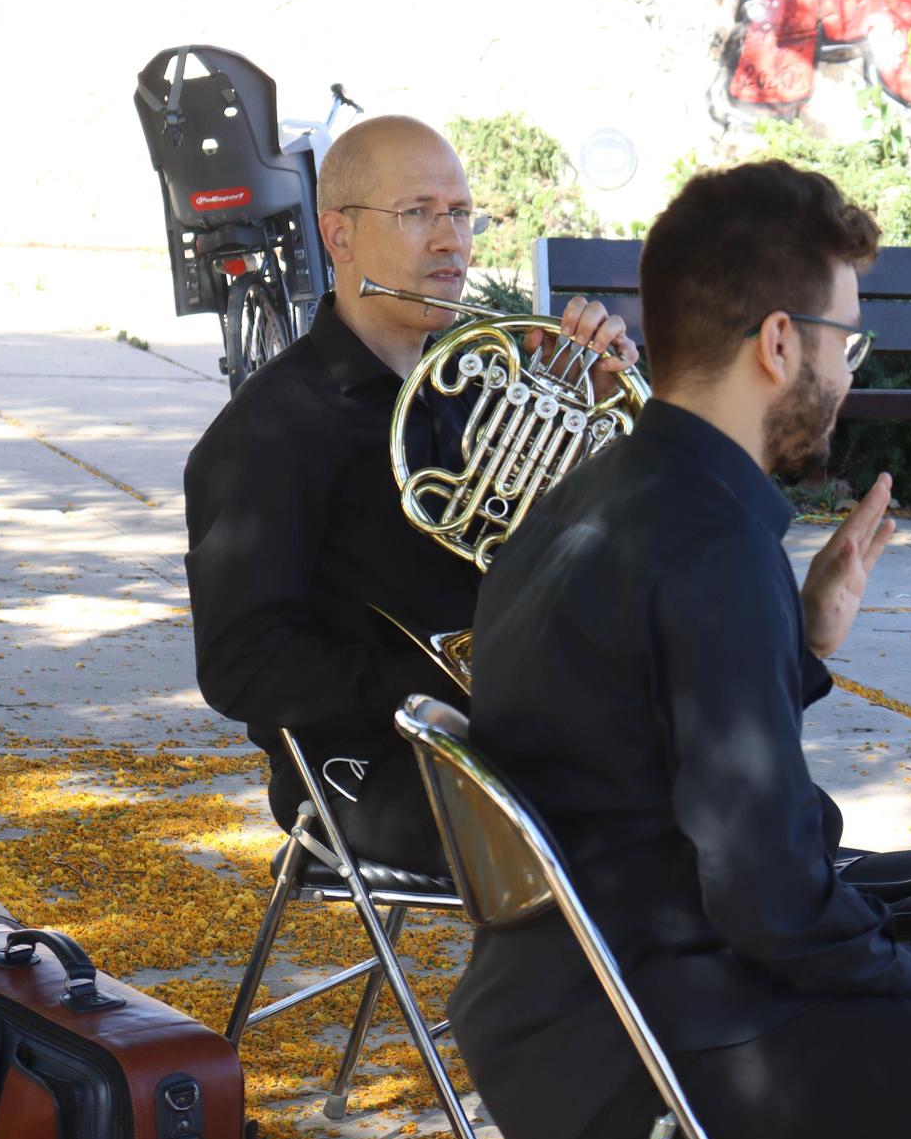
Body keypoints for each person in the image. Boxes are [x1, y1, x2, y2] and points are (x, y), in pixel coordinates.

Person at [449, 160, 911, 1139]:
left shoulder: (602, 490)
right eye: (845, 340)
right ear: (780, 343)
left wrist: (802, 643)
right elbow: (765, 891)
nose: (850, 370)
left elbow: (644, 748)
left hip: (566, 1014)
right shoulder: (711, 545)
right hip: (662, 1049)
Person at [184, 115, 634, 875]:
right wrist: (435, 678)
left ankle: (841, 913)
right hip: (371, 771)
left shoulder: (475, 394)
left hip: (502, 742)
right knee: (657, 829)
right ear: (340, 236)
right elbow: (240, 663)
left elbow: (559, 571)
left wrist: (590, 409)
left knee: (716, 777)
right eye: (418, 212)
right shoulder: (269, 430)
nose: (451, 240)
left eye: (460, 213)